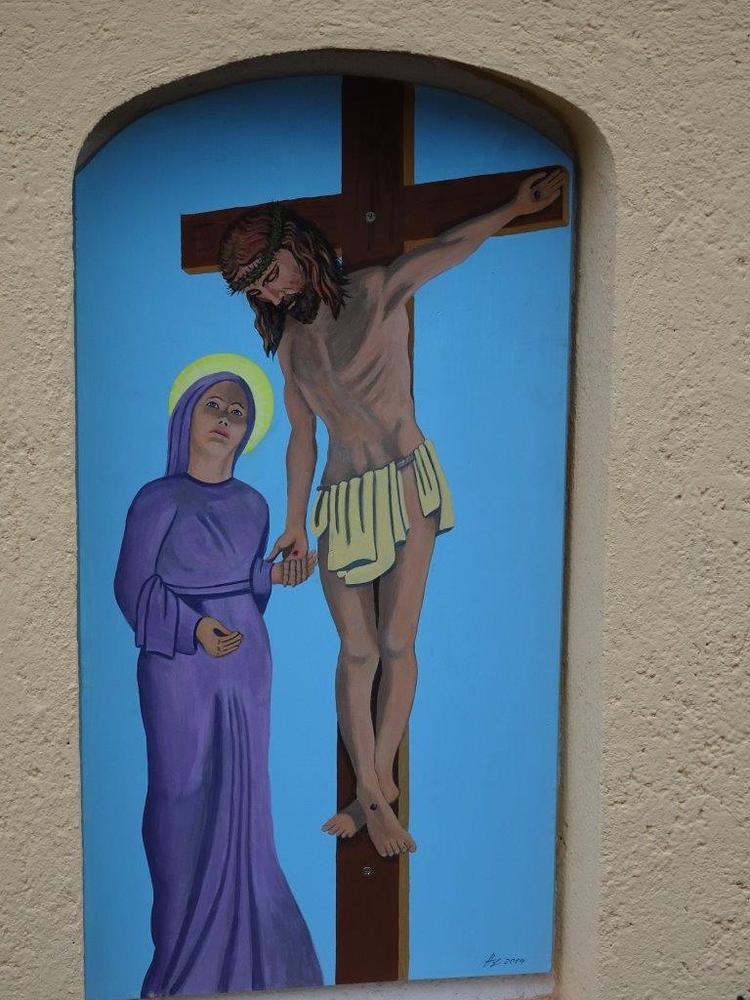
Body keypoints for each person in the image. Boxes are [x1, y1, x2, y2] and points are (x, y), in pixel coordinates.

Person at [217, 169, 565, 859]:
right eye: (256, 289)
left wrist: (513, 207)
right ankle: (375, 796)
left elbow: (449, 247)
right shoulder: (290, 346)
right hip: (341, 500)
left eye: (272, 274)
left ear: (299, 249)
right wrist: (295, 520)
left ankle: (371, 795)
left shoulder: (377, 292)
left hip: (404, 481)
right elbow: (301, 436)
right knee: (357, 650)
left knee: (397, 643)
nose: (271, 293)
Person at [114, 371, 322, 997]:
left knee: (240, 798)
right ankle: (178, 957)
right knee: (180, 797)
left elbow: (241, 580)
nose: (226, 418)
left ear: (247, 431)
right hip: (178, 664)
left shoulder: (254, 505)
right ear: (187, 416)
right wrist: (194, 627)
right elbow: (132, 588)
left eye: (238, 411)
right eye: (214, 405)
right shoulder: (157, 500)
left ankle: (244, 963)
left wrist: (276, 575)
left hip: (244, 662)